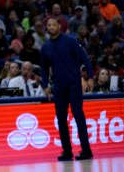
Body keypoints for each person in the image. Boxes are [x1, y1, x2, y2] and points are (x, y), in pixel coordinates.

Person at [41, 18, 94, 161]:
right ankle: (67, 151)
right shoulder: (45, 47)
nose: (51, 27)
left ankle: (86, 150)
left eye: (53, 25)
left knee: (78, 115)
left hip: (73, 84)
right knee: (61, 119)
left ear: (59, 26)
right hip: (58, 86)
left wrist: (90, 78)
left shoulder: (70, 41)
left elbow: (85, 59)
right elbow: (44, 69)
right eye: (49, 25)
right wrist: (45, 85)